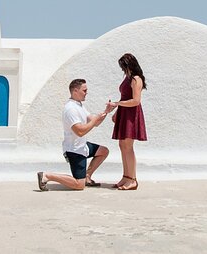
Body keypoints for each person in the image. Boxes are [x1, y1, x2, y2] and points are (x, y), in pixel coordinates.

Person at [37, 79, 115, 191]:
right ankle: (47, 176)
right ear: (75, 91)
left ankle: (87, 177)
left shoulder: (79, 106)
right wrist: (94, 121)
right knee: (79, 185)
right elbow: (80, 131)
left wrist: (106, 111)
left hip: (82, 146)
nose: (86, 92)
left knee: (103, 151)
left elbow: (95, 122)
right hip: (74, 150)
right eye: (84, 90)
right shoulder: (70, 109)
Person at [107, 53, 147, 191]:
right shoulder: (128, 78)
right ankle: (126, 176)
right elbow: (124, 96)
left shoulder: (136, 79)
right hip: (124, 112)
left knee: (128, 146)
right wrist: (117, 112)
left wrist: (117, 104)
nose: (123, 70)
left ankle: (133, 179)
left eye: (124, 66)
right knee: (122, 145)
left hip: (131, 114)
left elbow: (136, 101)